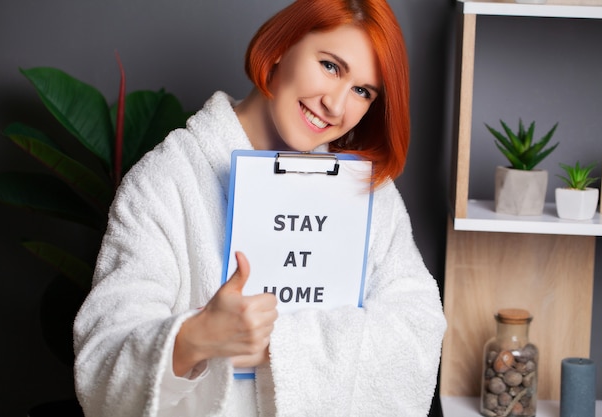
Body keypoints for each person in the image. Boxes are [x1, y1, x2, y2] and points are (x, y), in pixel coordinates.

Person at [73, 0, 446, 416]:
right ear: (284, 45)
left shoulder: (369, 194)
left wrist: (280, 342)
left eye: (362, 91)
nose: (337, 106)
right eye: (330, 66)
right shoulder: (167, 180)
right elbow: (101, 363)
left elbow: (419, 329)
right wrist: (193, 340)